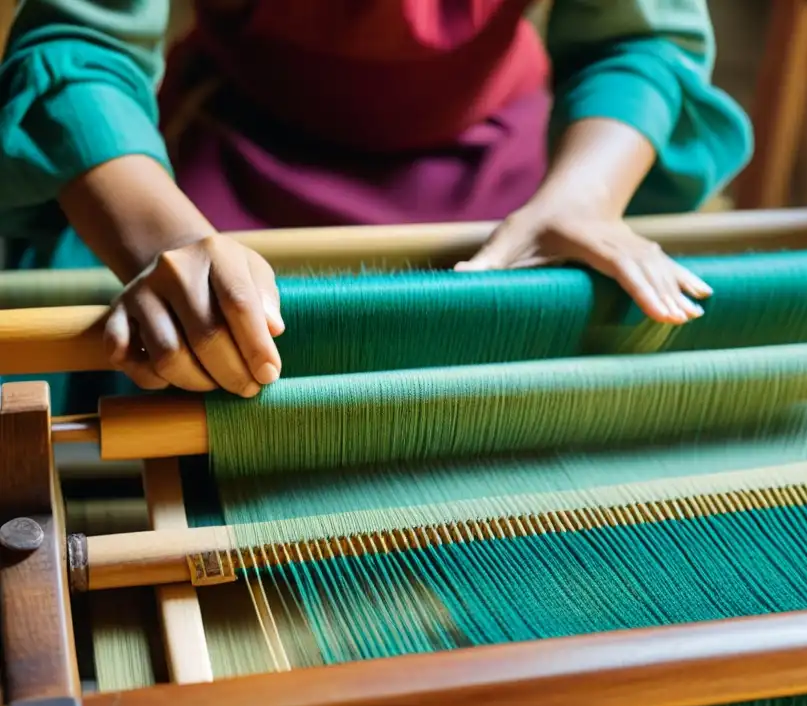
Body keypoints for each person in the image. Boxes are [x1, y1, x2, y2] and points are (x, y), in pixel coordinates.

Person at [0, 0, 752, 405]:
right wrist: (166, 246)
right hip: (226, 172)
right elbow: (79, 46)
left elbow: (637, 42)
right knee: (121, 371)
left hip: (514, 195)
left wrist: (583, 198)